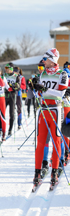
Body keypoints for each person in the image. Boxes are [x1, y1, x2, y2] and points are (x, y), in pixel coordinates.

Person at [30, 48, 68, 187]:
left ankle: (54, 172)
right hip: (43, 110)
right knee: (40, 143)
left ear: (53, 60)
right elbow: (39, 94)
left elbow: (61, 94)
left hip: (56, 110)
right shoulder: (42, 74)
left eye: (45, 59)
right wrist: (35, 88)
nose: (43, 61)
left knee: (56, 142)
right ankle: (37, 172)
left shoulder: (62, 74)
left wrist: (44, 89)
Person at [4, 63, 20, 136]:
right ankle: (1, 129)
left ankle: (10, 129)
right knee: (2, 113)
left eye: (8, 68)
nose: (6, 69)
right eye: (6, 68)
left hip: (12, 96)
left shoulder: (16, 76)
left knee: (12, 114)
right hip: (4, 96)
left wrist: (14, 86)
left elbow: (18, 87)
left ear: (11, 69)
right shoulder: (4, 75)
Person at [0, 66, 9, 141]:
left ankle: (3, 134)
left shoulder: (3, 78)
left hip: (1, 98)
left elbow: (4, 85)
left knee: (3, 116)